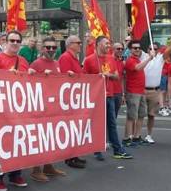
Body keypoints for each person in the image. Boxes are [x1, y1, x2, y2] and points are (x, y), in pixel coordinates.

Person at [0, 31, 30, 191]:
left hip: (19, 108)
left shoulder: (24, 61)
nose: (14, 43)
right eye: (11, 40)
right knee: (1, 142)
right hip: (1, 109)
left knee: (18, 142)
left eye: (18, 41)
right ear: (5, 42)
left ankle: (15, 174)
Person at [83, 36, 132, 160]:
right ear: (98, 44)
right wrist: (96, 77)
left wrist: (107, 74)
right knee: (97, 124)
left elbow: (116, 76)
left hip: (109, 95)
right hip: (96, 97)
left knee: (112, 123)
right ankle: (97, 150)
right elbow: (84, 79)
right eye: (106, 44)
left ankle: (117, 149)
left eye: (109, 44)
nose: (108, 46)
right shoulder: (89, 60)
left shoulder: (110, 58)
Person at [28, 37, 67, 182]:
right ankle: (35, 169)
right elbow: (27, 82)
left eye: (53, 47)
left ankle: (48, 166)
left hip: (53, 106)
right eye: (48, 47)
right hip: (40, 108)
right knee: (39, 138)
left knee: (50, 137)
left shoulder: (57, 64)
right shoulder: (36, 64)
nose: (51, 50)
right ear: (42, 49)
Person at [141, 31, 171, 144]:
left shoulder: (160, 58)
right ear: (147, 49)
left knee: (151, 115)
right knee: (138, 115)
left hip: (154, 91)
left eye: (154, 48)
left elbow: (170, 48)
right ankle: (136, 135)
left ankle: (149, 135)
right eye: (150, 48)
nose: (152, 50)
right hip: (142, 90)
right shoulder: (143, 56)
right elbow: (134, 46)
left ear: (158, 50)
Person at [58, 35, 87, 169]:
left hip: (76, 98)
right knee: (71, 129)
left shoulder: (74, 57)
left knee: (75, 128)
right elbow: (65, 77)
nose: (81, 45)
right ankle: (70, 158)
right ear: (70, 44)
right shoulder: (65, 57)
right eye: (78, 43)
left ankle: (74, 155)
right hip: (69, 99)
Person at [123, 40, 154, 146]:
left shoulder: (137, 59)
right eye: (135, 48)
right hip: (133, 92)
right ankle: (127, 138)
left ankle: (137, 136)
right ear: (130, 49)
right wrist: (149, 58)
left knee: (141, 115)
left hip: (141, 91)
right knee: (131, 116)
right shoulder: (130, 60)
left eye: (139, 48)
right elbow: (138, 68)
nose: (137, 50)